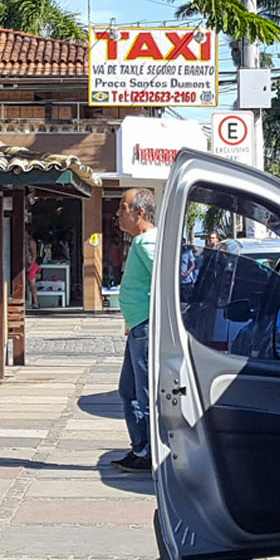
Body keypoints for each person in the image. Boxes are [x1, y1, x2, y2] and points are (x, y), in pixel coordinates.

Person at [112, 187, 158, 472]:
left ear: (139, 213)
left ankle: (148, 452)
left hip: (146, 328)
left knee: (141, 393)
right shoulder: (142, 242)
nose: (118, 213)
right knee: (128, 391)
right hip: (138, 326)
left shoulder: (145, 243)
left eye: (123, 207)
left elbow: (167, 278)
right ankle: (140, 447)